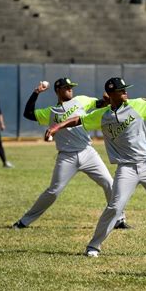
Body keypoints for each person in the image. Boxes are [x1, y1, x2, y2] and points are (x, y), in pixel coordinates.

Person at [45, 77, 146, 258]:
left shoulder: (137, 105)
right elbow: (78, 120)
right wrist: (56, 127)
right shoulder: (102, 115)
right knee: (115, 207)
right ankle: (93, 246)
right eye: (121, 90)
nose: (125, 91)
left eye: (125, 89)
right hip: (126, 169)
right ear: (110, 94)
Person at [12, 77, 129, 229]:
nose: (70, 89)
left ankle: (119, 220)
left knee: (109, 183)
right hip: (67, 157)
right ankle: (24, 221)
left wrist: (106, 100)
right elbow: (28, 113)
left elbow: (100, 103)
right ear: (57, 91)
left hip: (88, 152)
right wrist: (36, 92)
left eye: (71, 87)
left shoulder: (81, 100)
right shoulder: (51, 112)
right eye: (66, 87)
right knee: (53, 191)